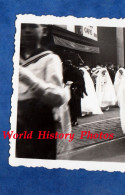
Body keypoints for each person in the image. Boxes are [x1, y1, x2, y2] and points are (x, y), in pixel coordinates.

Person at [16, 24, 67, 159]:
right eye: (23, 27)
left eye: (32, 26)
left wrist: (31, 81)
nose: (27, 31)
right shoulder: (13, 59)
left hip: (38, 121)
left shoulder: (49, 58)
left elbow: (58, 96)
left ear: (43, 31)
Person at [63, 60, 87, 126]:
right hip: (72, 90)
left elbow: (80, 81)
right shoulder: (73, 71)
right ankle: (73, 120)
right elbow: (81, 81)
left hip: (74, 90)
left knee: (73, 105)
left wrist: (73, 83)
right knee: (73, 105)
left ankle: (73, 120)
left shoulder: (70, 71)